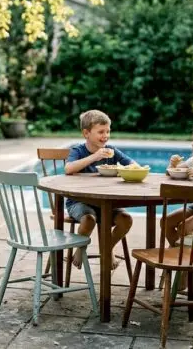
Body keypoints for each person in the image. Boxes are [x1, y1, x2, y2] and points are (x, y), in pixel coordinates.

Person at [64, 109, 135, 270]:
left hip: (106, 202)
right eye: (101, 132)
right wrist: (95, 157)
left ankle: (107, 248)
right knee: (89, 219)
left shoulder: (111, 150)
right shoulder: (78, 151)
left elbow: (133, 164)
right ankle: (80, 248)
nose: (106, 135)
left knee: (126, 219)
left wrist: (128, 169)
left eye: (108, 131)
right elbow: (68, 168)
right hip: (79, 202)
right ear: (86, 133)